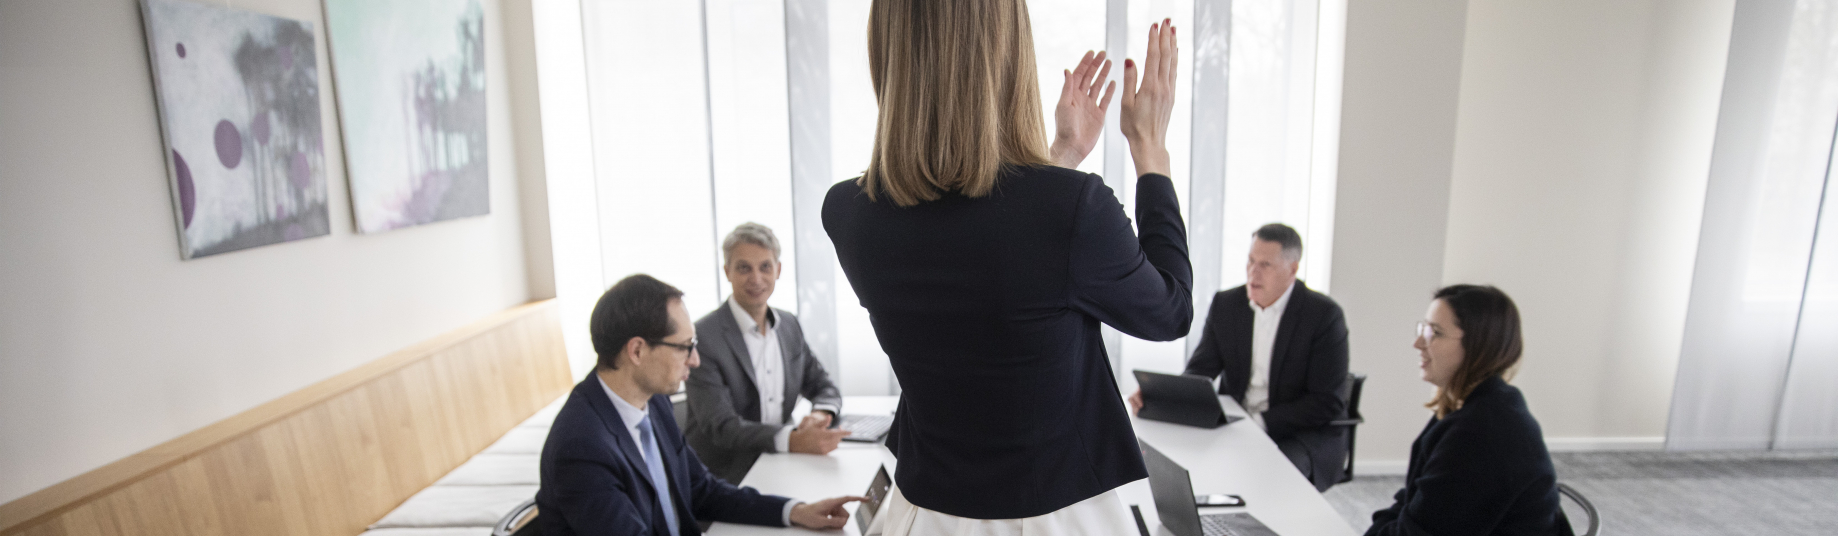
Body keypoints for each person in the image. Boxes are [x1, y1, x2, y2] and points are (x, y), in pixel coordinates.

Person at [823, 0, 1187, 532]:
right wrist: (1150, 151)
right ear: (1008, 55)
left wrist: (1060, 156)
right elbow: (1170, 312)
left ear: (887, 54)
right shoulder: (1071, 209)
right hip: (1057, 518)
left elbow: (979, 250)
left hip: (922, 515)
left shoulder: (847, 212)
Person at [536, 274, 864, 536]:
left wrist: (795, 510)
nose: (695, 360)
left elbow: (701, 490)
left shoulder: (654, 403)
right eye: (685, 346)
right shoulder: (582, 445)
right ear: (636, 351)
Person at [1128, 223, 1351, 491]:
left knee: (1274, 480)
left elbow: (1326, 402)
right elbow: (1200, 371)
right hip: (1235, 422)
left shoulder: (1324, 316)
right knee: (1180, 460)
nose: (1253, 273)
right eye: (1250, 261)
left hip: (1301, 433)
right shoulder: (1227, 304)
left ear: (1292, 270)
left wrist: (1257, 422)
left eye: (1265, 265)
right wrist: (1159, 396)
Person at [1365, 284, 1572, 536]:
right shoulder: (1472, 403)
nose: (1418, 343)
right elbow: (1413, 498)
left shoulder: (1482, 430)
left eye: (1435, 332)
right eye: (1423, 328)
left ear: (1479, 345)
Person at [686, 222, 850, 483]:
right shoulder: (704, 337)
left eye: (765, 267)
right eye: (743, 268)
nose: (756, 279)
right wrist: (793, 440)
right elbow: (722, 427)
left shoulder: (789, 325)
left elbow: (823, 386)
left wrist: (821, 413)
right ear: (727, 271)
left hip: (781, 463)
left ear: (778, 270)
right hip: (724, 477)